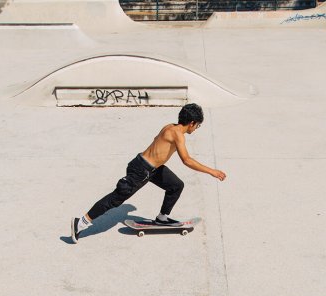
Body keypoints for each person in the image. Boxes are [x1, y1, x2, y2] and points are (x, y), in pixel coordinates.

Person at [71, 103, 226, 243]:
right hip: (140, 170)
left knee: (176, 185)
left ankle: (162, 218)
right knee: (115, 199)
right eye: (197, 125)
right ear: (192, 123)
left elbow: (156, 143)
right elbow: (186, 160)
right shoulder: (177, 134)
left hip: (152, 169)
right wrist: (212, 171)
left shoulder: (169, 127)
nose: (196, 128)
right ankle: (81, 222)